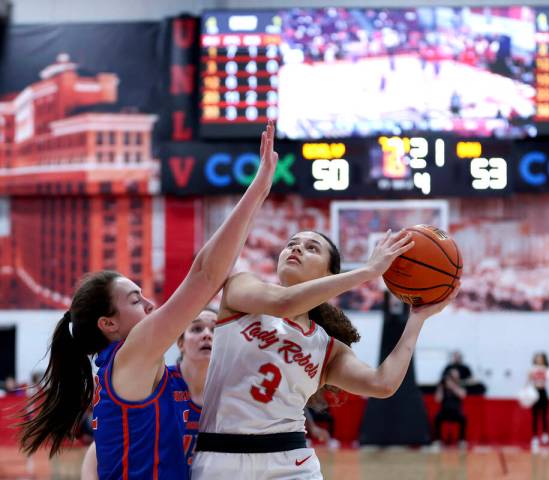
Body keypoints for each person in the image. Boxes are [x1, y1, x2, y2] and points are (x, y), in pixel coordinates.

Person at [20, 121, 277, 479]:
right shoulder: (132, 352)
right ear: (109, 324)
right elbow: (204, 274)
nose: (151, 305)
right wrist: (258, 189)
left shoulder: (151, 373)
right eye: (136, 300)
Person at [192, 229, 458, 478]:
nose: (296, 249)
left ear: (329, 275)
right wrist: (367, 271)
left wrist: (418, 319)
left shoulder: (327, 348)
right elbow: (283, 303)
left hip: (291, 461)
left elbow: (383, 383)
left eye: (311, 248)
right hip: (221, 455)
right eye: (292, 245)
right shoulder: (242, 288)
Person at [80, 308, 217, 479]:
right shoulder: (156, 382)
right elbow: (97, 451)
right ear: (181, 343)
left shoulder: (228, 396)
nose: (207, 335)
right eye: (196, 329)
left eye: (215, 330)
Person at [433, 368, 467, 449]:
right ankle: (438, 440)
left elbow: (462, 395)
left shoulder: (459, 384)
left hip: (456, 412)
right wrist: (441, 387)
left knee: (463, 419)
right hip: (444, 411)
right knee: (437, 418)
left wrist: (453, 387)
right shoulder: (443, 387)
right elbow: (438, 399)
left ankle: (462, 440)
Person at [528, 352, 549, 453]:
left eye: (541, 359)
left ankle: (545, 433)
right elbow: (528, 380)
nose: (539, 360)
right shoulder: (532, 369)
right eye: (537, 358)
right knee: (535, 415)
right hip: (534, 392)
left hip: (543, 392)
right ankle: (535, 437)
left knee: (544, 414)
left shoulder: (547, 369)